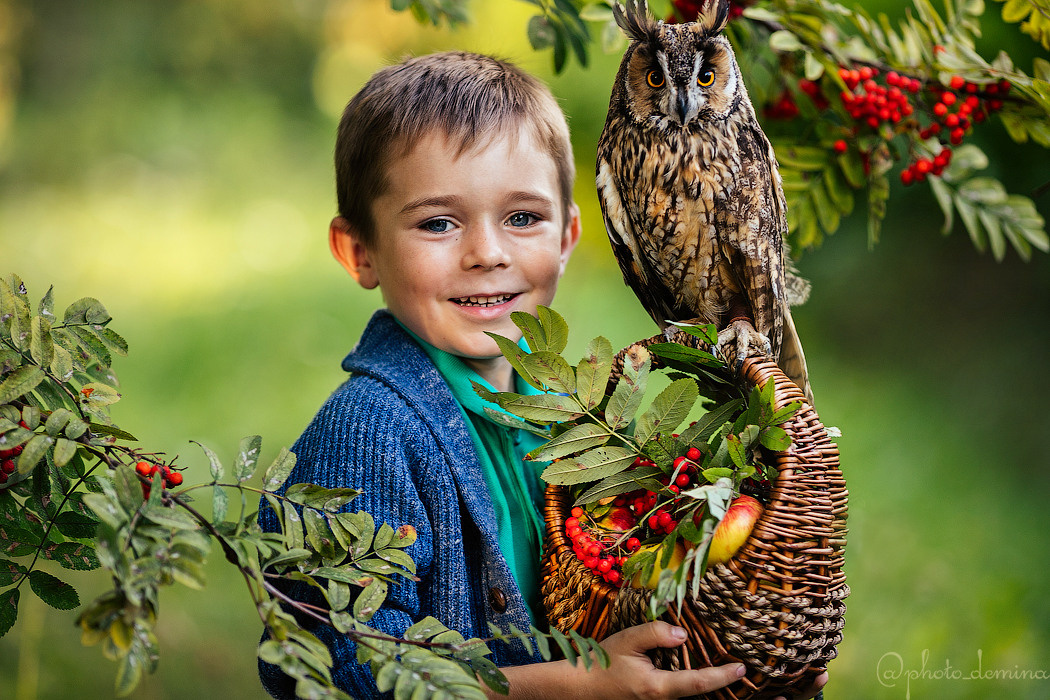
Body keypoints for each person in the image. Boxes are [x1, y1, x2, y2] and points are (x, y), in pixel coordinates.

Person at [258, 50, 826, 700]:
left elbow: (613, 594)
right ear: (359, 252)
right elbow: (347, 674)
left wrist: (733, 654)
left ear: (567, 236)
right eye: (438, 223)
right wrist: (574, 686)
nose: (488, 254)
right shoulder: (362, 440)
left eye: (522, 218)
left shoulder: (568, 414)